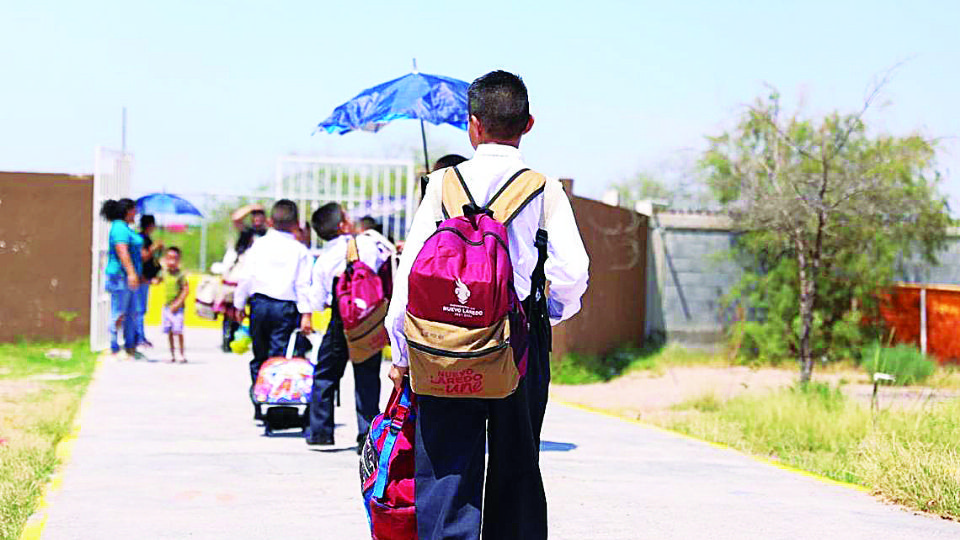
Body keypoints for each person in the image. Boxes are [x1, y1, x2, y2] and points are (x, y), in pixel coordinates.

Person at [384, 70, 590, 540]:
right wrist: (549, 312)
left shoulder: (442, 184)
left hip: (442, 340)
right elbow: (573, 270)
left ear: (472, 124)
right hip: (518, 339)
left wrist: (401, 354)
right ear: (528, 124)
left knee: (445, 462)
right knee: (517, 461)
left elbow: (409, 275)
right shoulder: (544, 188)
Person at [305, 203, 391, 448]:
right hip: (368, 320)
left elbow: (317, 302)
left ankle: (321, 432)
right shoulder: (367, 243)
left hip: (339, 320)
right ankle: (367, 435)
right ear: (343, 226)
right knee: (367, 377)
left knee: (325, 374)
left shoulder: (323, 260)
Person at [233, 200, 313, 418]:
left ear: (270, 221)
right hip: (285, 308)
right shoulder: (300, 250)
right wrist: (306, 314)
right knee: (279, 355)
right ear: (296, 223)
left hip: (259, 305)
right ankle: (276, 404)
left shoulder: (258, 245)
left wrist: (239, 304)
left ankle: (259, 402)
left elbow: (246, 276)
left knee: (259, 354)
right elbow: (303, 285)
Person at [100, 198, 144, 360]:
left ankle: (130, 346)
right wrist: (131, 273)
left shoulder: (127, 228)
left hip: (129, 277)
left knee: (132, 312)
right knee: (119, 312)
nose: (136, 213)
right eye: (134, 210)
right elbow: (122, 251)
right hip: (121, 277)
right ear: (128, 211)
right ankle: (114, 346)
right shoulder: (119, 228)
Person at [136, 215, 163, 348]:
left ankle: (141, 336)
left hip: (146, 278)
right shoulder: (140, 239)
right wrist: (154, 248)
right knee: (139, 309)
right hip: (140, 278)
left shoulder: (146, 239)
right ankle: (138, 337)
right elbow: (143, 256)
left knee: (142, 309)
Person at [161, 247, 189, 363]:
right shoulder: (164, 273)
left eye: (175, 259)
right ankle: (171, 354)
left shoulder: (180, 274)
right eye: (169, 258)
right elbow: (156, 279)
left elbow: (186, 290)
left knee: (178, 331)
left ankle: (181, 354)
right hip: (167, 307)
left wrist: (178, 303)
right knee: (169, 331)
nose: (172, 261)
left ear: (179, 260)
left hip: (178, 308)